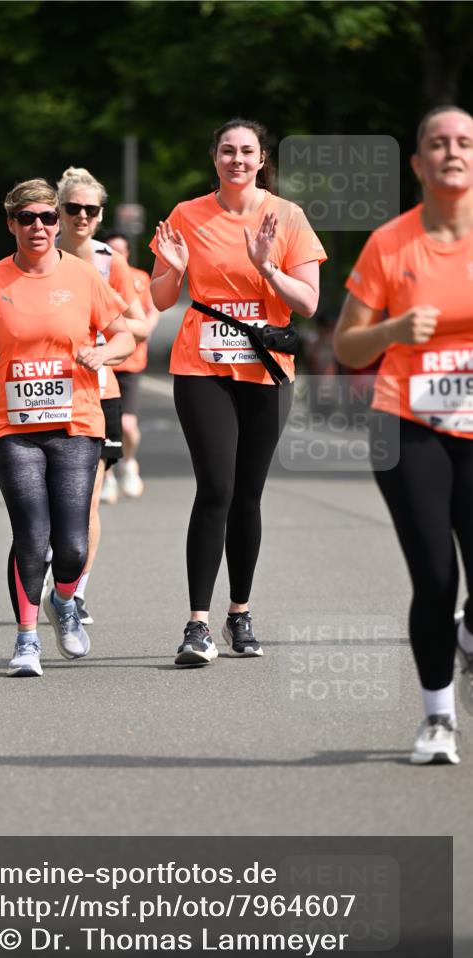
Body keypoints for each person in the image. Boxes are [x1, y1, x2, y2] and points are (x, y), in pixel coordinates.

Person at [150, 118, 326, 666]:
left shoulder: (287, 216)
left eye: (247, 151)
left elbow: (309, 303)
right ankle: (197, 625)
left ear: (261, 158)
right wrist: (174, 272)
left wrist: (268, 268)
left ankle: (239, 614)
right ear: (214, 158)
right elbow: (159, 299)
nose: (237, 160)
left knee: (248, 493)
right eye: (227, 151)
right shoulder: (187, 215)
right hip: (203, 364)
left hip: (267, 368)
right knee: (216, 487)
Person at [333, 106, 473, 765]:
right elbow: (345, 343)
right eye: (438, 143)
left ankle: (466, 635)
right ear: (417, 164)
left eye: (464, 143)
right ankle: (437, 718)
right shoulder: (390, 243)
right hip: (407, 423)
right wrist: (390, 331)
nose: (452, 152)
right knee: (435, 577)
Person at [0, 179, 134, 676]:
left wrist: (103, 352)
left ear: (57, 223)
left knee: (74, 544)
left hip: (77, 418)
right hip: (11, 425)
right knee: (32, 533)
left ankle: (64, 599)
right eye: (27, 218)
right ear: (11, 223)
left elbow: (123, 334)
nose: (39, 226)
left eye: (48, 218)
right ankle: (26, 639)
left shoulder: (82, 276)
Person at [51, 167, 148, 623]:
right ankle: (51, 571)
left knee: (87, 495)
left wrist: (105, 340)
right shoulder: (38, 252)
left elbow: (141, 324)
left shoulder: (110, 261)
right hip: (42, 389)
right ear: (59, 211)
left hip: (98, 390)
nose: (82, 216)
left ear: (101, 213)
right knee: (49, 499)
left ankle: (74, 592)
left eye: (91, 210)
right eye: (73, 208)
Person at [104, 230, 161, 501]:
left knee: (126, 425)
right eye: (111, 250)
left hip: (130, 363)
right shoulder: (96, 276)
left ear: (128, 253)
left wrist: (145, 330)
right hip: (102, 362)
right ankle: (107, 477)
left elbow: (151, 310)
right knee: (102, 426)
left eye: (121, 250)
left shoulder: (140, 278)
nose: (117, 256)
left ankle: (128, 463)